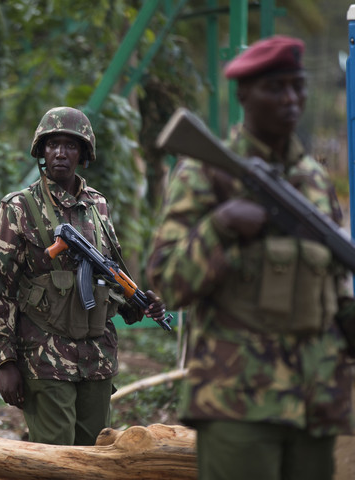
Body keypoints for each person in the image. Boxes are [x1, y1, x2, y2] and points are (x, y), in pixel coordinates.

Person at [146, 35, 354, 480]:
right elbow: (166, 282)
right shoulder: (205, 173)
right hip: (237, 402)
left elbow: (334, 293)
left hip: (315, 402)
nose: (291, 99)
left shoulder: (315, 181)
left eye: (298, 87)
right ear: (243, 95)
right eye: (275, 88)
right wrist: (219, 227)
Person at [0, 106, 167, 446]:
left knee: (96, 455)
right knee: (56, 460)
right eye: (52, 144)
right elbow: (2, 287)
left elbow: (113, 269)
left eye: (70, 145)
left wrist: (139, 303)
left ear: (83, 153)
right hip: (45, 354)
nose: (60, 152)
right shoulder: (19, 207)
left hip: (96, 355)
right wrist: (5, 361)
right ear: (41, 151)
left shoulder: (98, 206)